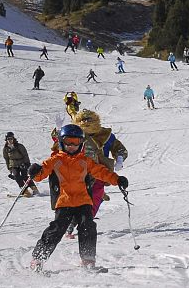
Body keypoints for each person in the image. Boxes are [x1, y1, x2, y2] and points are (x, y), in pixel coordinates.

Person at [27, 124, 128, 271]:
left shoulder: (85, 161)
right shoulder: (55, 160)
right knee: (57, 229)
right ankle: (38, 258)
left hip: (83, 201)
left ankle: (88, 259)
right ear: (62, 142)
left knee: (88, 226)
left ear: (81, 144)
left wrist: (117, 179)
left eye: (76, 142)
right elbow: (40, 174)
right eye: (68, 142)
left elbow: (101, 172)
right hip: (64, 201)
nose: (72, 146)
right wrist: (35, 171)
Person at [64, 110, 129, 238]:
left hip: (100, 172)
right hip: (79, 173)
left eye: (89, 120)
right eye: (83, 120)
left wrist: (120, 157)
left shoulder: (105, 135)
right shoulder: (75, 134)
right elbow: (61, 146)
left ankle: (85, 224)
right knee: (76, 200)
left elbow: (118, 147)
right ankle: (70, 226)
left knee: (94, 199)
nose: (86, 123)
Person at [3, 132, 39, 196]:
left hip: (22, 163)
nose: (10, 140)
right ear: (6, 140)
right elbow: (6, 159)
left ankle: (34, 188)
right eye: (8, 139)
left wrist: (27, 164)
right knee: (17, 177)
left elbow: (25, 155)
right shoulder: (5, 149)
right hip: (13, 165)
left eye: (11, 138)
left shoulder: (19, 146)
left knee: (25, 176)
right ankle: (25, 191)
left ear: (13, 138)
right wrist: (9, 168)